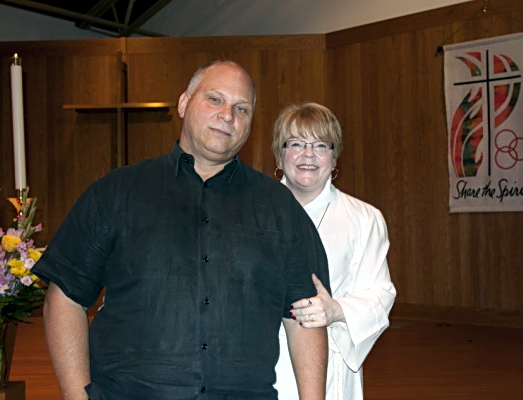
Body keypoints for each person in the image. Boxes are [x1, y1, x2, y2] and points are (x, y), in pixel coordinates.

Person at [32, 61, 330, 400]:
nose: (227, 115)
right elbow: (65, 296)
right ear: (184, 103)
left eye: (241, 108)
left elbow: (306, 315)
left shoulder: (280, 207)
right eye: (215, 99)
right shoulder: (116, 192)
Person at [271, 102, 396, 399]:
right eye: (296, 144)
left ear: (335, 156)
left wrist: (335, 310)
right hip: (263, 357)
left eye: (320, 145)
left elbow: (380, 293)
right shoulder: (252, 213)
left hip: (330, 356)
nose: (308, 154)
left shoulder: (364, 218)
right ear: (279, 155)